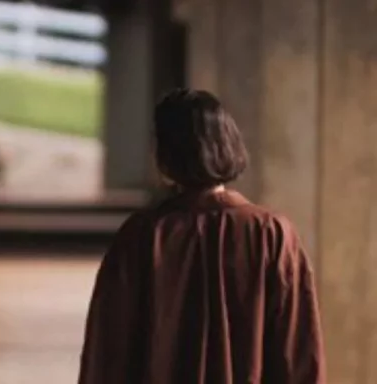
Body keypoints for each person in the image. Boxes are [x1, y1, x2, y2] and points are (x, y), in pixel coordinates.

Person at [77, 89, 325, 384]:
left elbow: (108, 354)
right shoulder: (271, 234)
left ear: (166, 155)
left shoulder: (141, 236)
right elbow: (297, 351)